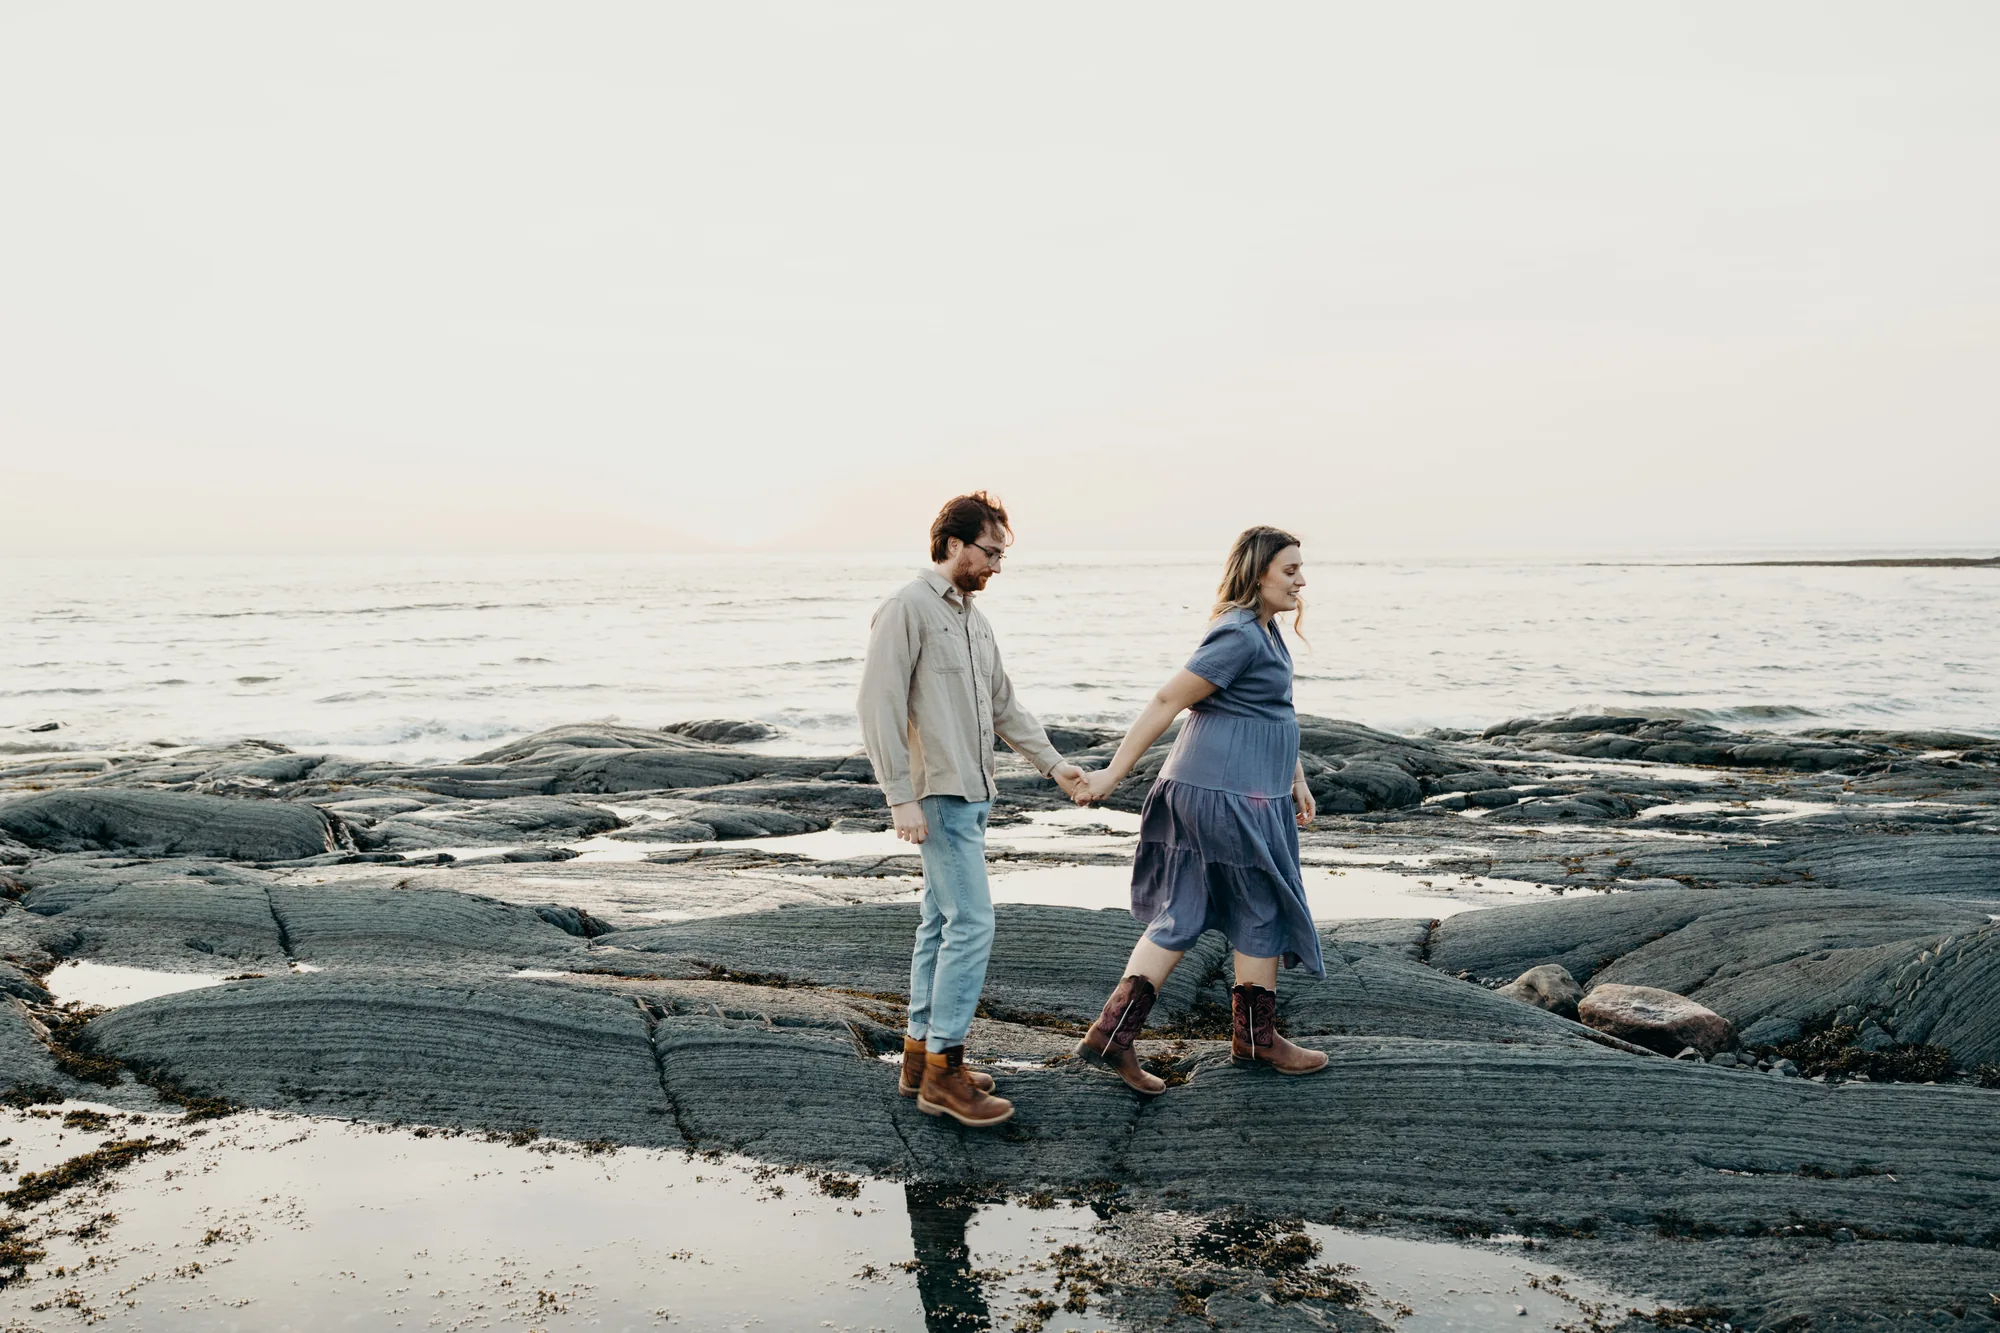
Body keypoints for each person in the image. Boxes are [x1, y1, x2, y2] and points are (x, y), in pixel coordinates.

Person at [857, 491, 1087, 1127]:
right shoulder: (907, 607)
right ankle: (945, 1074)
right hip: (936, 794)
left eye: (1001, 554)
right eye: (990, 551)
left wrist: (1056, 767)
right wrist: (900, 796)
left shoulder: (973, 619)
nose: (996, 566)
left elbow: (1005, 705)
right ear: (953, 544)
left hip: (975, 793)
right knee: (973, 924)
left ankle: (919, 1059)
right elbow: (877, 705)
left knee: (940, 923)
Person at [1073, 525, 1328, 1093]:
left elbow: (1270, 710)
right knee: (1261, 904)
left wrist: (1296, 776)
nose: (1301, 581)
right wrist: (1113, 773)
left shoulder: (1264, 630)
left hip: (1231, 788)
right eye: (1290, 570)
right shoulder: (1238, 633)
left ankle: (1112, 1035)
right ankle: (1256, 1040)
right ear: (1257, 572)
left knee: (1185, 911)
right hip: (1226, 794)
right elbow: (1168, 698)